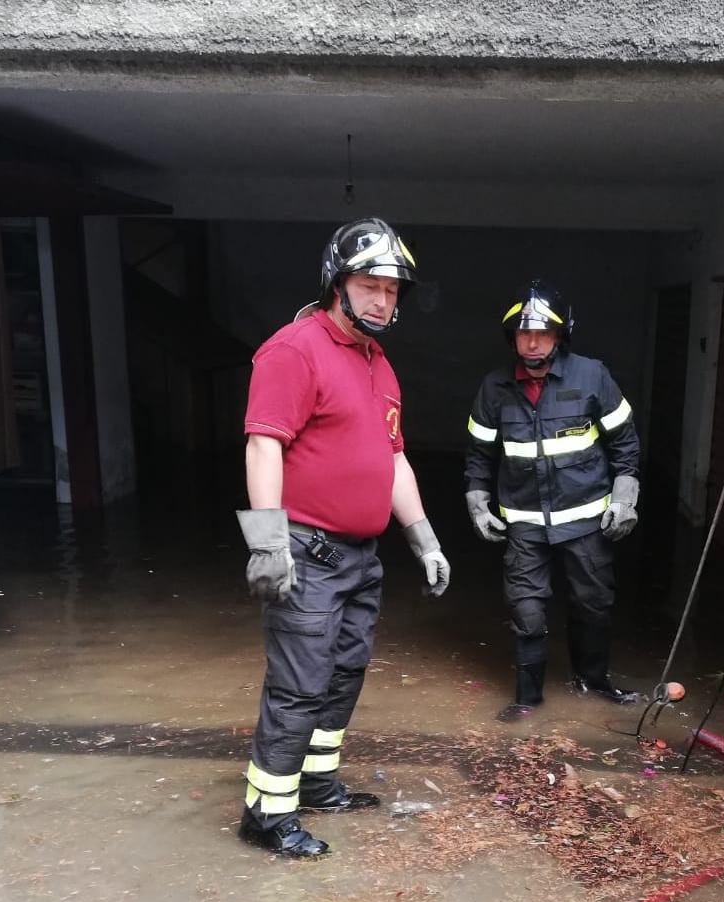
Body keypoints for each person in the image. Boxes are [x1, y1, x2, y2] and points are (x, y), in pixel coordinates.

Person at [236, 217, 451, 857]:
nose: (382, 300)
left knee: (343, 675)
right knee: (299, 685)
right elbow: (263, 445)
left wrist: (425, 539)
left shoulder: (377, 363)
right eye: (369, 285)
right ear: (337, 284)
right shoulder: (294, 350)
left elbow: (394, 459)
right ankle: (266, 814)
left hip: (361, 557)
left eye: (392, 290)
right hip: (307, 553)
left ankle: (316, 784)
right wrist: (268, 544)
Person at [464, 280, 641, 722]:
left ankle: (593, 682)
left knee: (593, 604)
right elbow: (479, 454)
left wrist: (625, 499)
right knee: (526, 608)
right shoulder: (494, 388)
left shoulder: (592, 376)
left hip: (586, 521)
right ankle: (528, 699)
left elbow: (625, 444)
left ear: (560, 335)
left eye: (543, 333)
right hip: (524, 524)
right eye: (524, 333)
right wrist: (478, 503)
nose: (533, 342)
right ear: (512, 337)